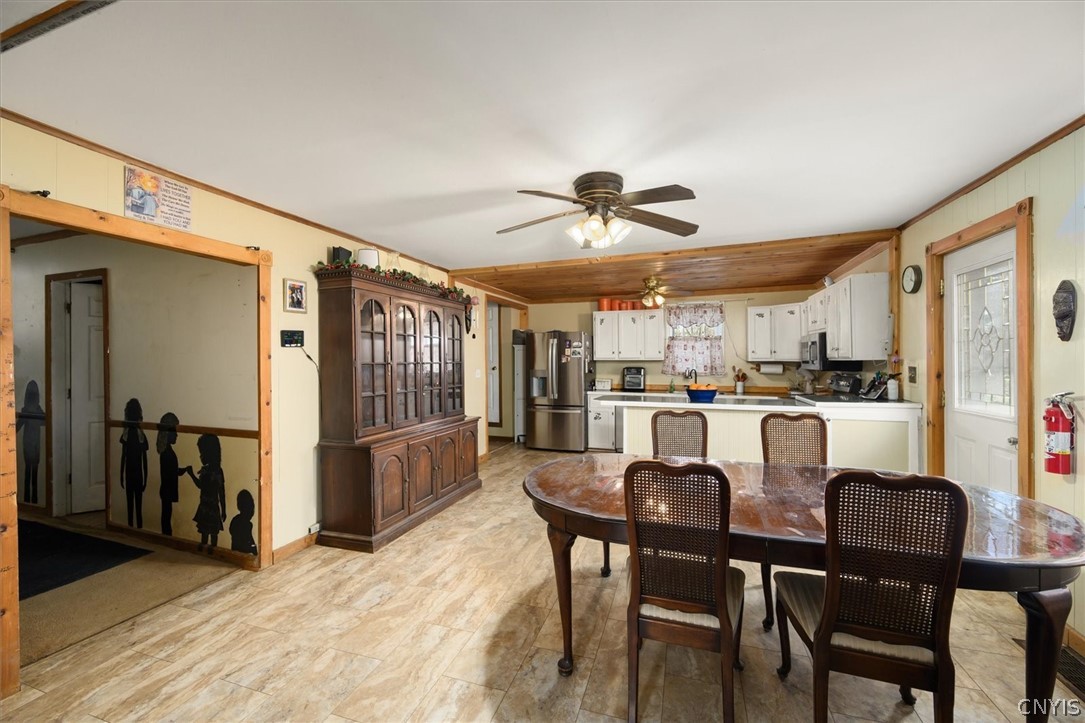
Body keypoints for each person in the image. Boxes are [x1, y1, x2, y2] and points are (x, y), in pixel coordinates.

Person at [185, 434, 226, 553]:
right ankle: (207, 549)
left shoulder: (215, 471)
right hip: (206, 506)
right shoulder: (209, 470)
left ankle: (212, 550)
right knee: (206, 531)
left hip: (210, 506)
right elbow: (218, 491)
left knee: (211, 532)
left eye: (202, 453)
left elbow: (221, 492)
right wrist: (192, 474)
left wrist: (224, 509)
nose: (200, 456)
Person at [119, 398, 148, 528]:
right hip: (138, 472)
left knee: (130, 503)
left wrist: (121, 474)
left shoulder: (126, 434)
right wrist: (145, 479)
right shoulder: (140, 435)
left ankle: (131, 526)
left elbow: (123, 456)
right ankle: (139, 527)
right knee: (138, 505)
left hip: (129, 471)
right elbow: (145, 459)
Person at [15, 380, 45, 504]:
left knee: (28, 472)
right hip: (35, 445)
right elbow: (45, 422)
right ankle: (34, 500)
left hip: (28, 444)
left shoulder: (25, 410)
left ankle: (27, 500)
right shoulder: (38, 410)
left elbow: (17, 428)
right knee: (34, 473)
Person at [156, 412, 181, 536]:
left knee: (166, 516)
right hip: (167, 490)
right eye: (174, 431)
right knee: (166, 517)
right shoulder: (167, 452)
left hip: (166, 489)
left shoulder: (166, 451)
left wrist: (182, 470)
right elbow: (170, 473)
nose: (176, 435)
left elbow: (172, 471)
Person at [229, 489, 258, 555]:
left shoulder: (235, 520)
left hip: (234, 552)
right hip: (241, 555)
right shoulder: (246, 524)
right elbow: (248, 543)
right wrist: (254, 550)